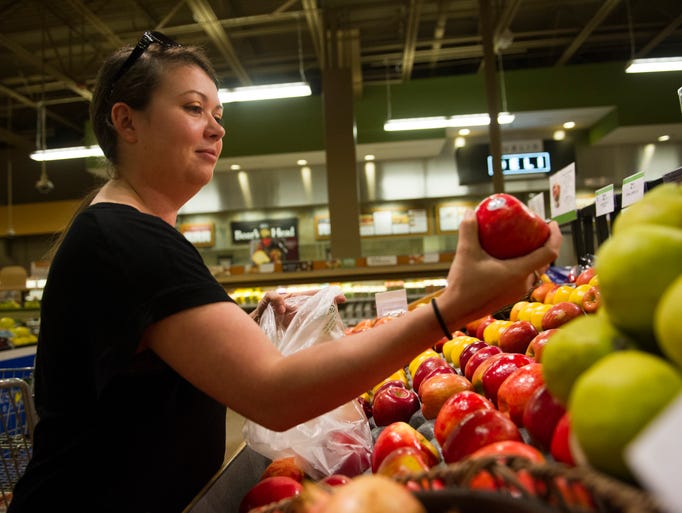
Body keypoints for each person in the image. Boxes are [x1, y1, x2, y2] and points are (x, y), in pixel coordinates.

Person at [8, 31, 562, 513]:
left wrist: (251, 321)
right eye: (194, 109)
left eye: (218, 116)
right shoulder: (125, 239)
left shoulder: (123, 233)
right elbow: (275, 396)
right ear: (126, 121)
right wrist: (450, 308)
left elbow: (150, 366)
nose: (216, 130)